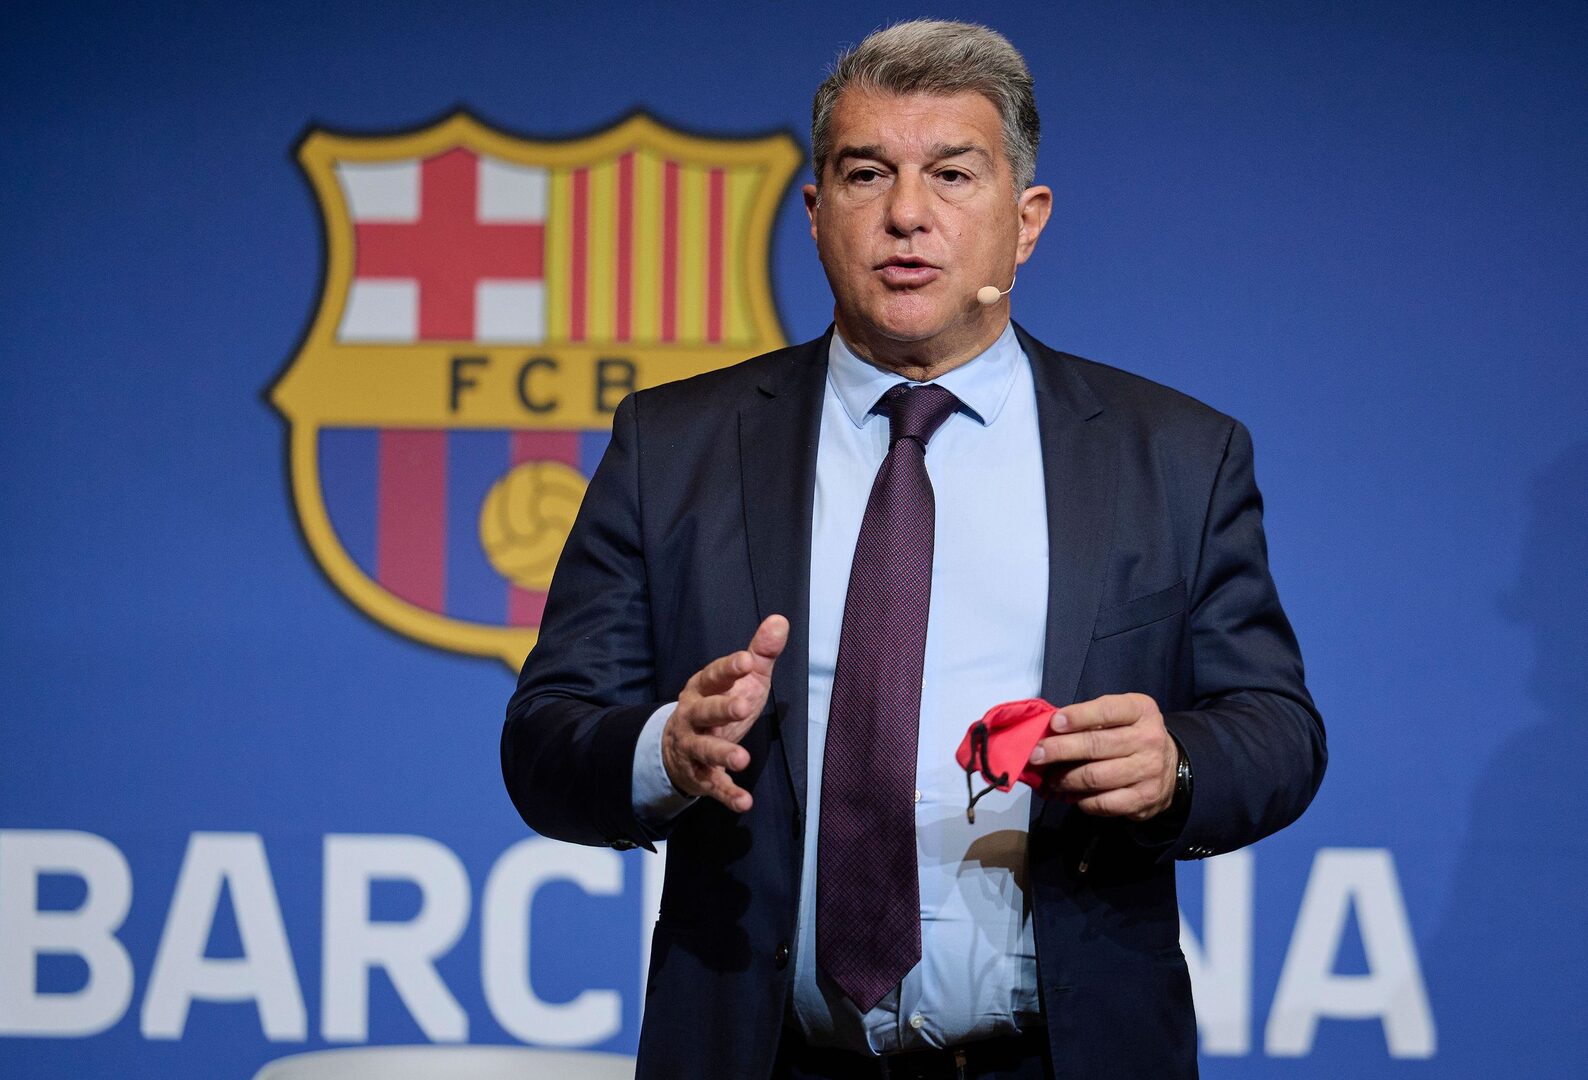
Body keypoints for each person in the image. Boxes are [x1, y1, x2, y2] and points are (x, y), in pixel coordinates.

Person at [502, 19, 1324, 1080]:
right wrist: (666, 750)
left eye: (952, 174)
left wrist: (1175, 766)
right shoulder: (675, 447)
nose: (906, 214)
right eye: (866, 174)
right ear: (814, 214)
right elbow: (545, 739)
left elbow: (1278, 731)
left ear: (1026, 221)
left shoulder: (1172, 454)